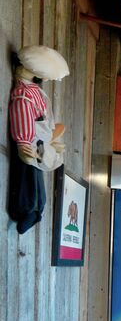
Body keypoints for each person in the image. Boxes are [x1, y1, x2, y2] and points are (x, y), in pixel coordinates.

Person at [8, 45, 69, 234]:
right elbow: (23, 120)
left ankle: (37, 210)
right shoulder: (24, 95)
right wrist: (24, 143)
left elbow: (44, 119)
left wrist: (48, 139)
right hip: (30, 142)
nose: (46, 79)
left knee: (36, 178)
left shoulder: (33, 91)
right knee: (28, 176)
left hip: (38, 141)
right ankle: (28, 210)